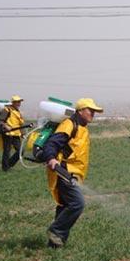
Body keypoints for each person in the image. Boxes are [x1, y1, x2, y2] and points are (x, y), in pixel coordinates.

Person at [42, 98, 103, 248]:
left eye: (94, 111)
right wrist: (51, 158)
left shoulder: (83, 127)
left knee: (64, 205)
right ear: (81, 110)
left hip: (75, 173)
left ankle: (55, 245)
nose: (93, 114)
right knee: (77, 203)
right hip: (64, 172)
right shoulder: (70, 124)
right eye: (91, 110)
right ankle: (56, 231)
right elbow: (52, 143)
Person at [0, 95, 25, 171]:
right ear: (13, 102)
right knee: (7, 151)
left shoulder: (18, 111)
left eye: (19, 101)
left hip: (16, 134)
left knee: (21, 151)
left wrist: (22, 133)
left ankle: (9, 163)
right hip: (7, 134)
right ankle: (5, 168)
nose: (19, 103)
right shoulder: (7, 109)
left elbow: (20, 124)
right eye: (17, 101)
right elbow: (0, 121)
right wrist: (6, 126)